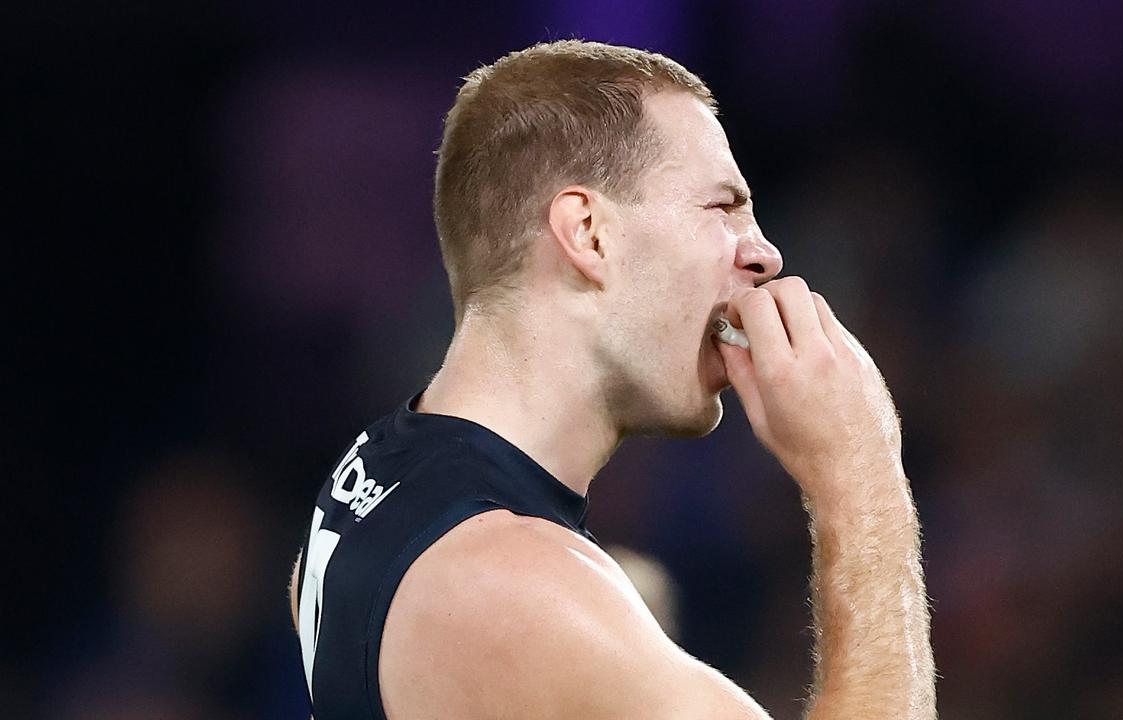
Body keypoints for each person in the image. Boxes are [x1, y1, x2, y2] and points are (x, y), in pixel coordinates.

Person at [289, 39, 935, 719]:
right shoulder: (518, 590)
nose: (765, 253)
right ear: (589, 233)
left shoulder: (370, 474)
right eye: (723, 208)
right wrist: (861, 479)